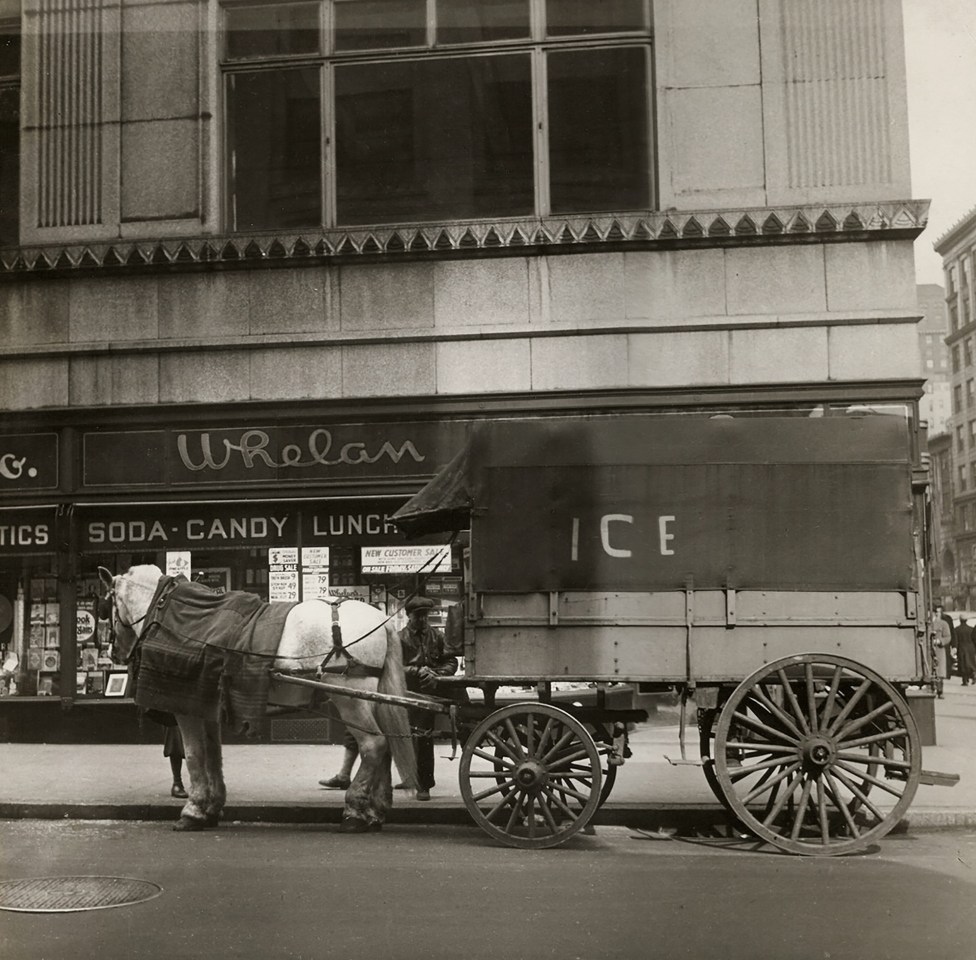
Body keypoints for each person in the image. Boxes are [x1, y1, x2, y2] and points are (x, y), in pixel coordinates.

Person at [399, 595, 462, 801]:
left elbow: (451, 661)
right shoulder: (400, 638)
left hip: (436, 688)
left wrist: (438, 675)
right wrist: (416, 671)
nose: (422, 620)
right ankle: (417, 781)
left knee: (425, 735)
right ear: (408, 616)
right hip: (413, 692)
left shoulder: (437, 636)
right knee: (415, 735)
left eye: (424, 616)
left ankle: (424, 783)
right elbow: (395, 668)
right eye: (418, 616)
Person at [931, 610, 952, 698]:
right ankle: (932, 689)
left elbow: (948, 637)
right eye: (935, 611)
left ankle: (940, 691)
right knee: (930, 670)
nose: (936, 614)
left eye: (938, 612)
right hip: (929, 650)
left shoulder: (944, 624)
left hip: (939, 650)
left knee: (939, 672)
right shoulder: (928, 623)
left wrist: (940, 641)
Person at [956, 616, 976, 686]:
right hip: (971, 648)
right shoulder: (971, 629)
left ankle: (965, 681)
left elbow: (956, 640)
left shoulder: (957, 629)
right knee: (971, 663)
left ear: (960, 620)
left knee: (963, 665)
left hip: (962, 648)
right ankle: (973, 673)